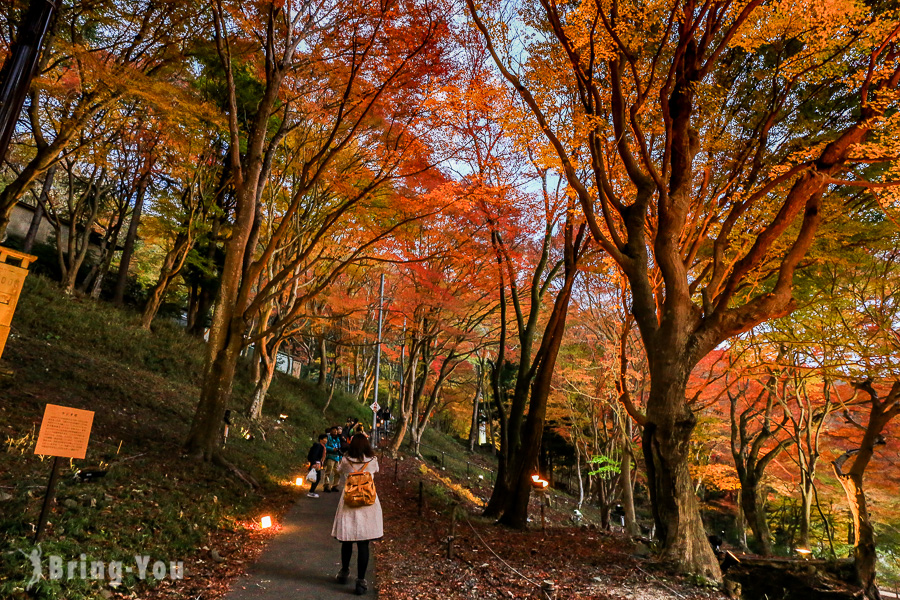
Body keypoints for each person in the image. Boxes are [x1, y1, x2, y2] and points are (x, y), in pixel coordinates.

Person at [332, 433, 382, 595]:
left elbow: (339, 471)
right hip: (368, 503)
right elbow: (377, 471)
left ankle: (344, 571)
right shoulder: (372, 461)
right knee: (363, 543)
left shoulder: (346, 461)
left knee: (347, 540)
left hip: (349, 502)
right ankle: (361, 580)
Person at [306, 433, 327, 498]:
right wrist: (316, 462)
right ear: (321, 439)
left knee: (316, 478)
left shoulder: (322, 446)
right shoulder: (318, 446)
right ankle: (311, 492)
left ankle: (311, 491)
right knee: (317, 478)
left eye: (326, 439)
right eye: (325, 439)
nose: (326, 440)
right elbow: (315, 454)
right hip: (316, 464)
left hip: (317, 463)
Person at [323, 426, 343, 492]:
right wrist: (332, 449)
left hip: (337, 457)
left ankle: (335, 485)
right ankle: (326, 485)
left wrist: (340, 457)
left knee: (337, 472)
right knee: (328, 472)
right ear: (331, 431)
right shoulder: (328, 438)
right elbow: (325, 446)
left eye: (336, 431)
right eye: (334, 430)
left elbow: (339, 448)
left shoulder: (338, 439)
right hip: (330, 457)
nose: (335, 432)